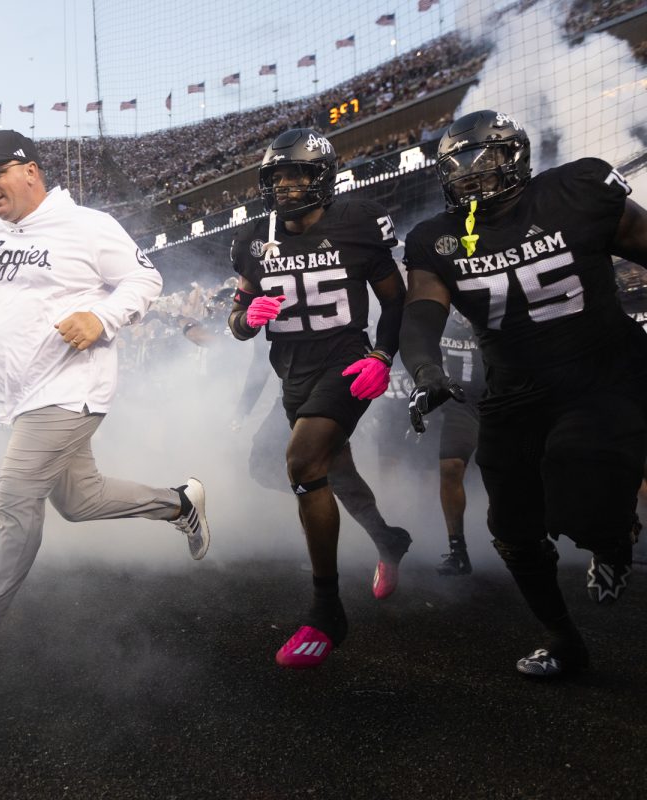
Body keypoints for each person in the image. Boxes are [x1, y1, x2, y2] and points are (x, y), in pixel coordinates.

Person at [0, 129, 209, 689]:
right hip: (19, 395)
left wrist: (103, 319)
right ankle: (178, 503)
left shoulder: (85, 225)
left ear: (31, 171)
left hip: (72, 390)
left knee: (16, 499)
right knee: (78, 499)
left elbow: (145, 278)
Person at [399, 109, 647, 679]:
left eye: (484, 158)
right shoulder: (434, 239)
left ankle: (611, 537)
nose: (470, 173)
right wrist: (425, 371)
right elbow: (420, 317)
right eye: (457, 163)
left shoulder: (576, 189)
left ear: (516, 156)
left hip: (601, 372)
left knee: (576, 473)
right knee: (512, 531)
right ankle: (563, 641)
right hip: (515, 392)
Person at [227, 128, 409, 669]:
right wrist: (246, 318)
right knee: (328, 473)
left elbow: (396, 303)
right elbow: (237, 323)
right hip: (293, 375)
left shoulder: (357, 224)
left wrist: (382, 355)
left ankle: (326, 611)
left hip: (345, 363)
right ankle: (387, 538)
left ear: (323, 178)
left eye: (299, 174)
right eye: (277, 176)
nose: (286, 185)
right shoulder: (253, 242)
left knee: (302, 462)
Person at [434, 309, 484, 576]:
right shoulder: (441, 315)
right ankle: (457, 550)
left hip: (500, 399)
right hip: (460, 404)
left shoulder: (496, 306)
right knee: (451, 466)